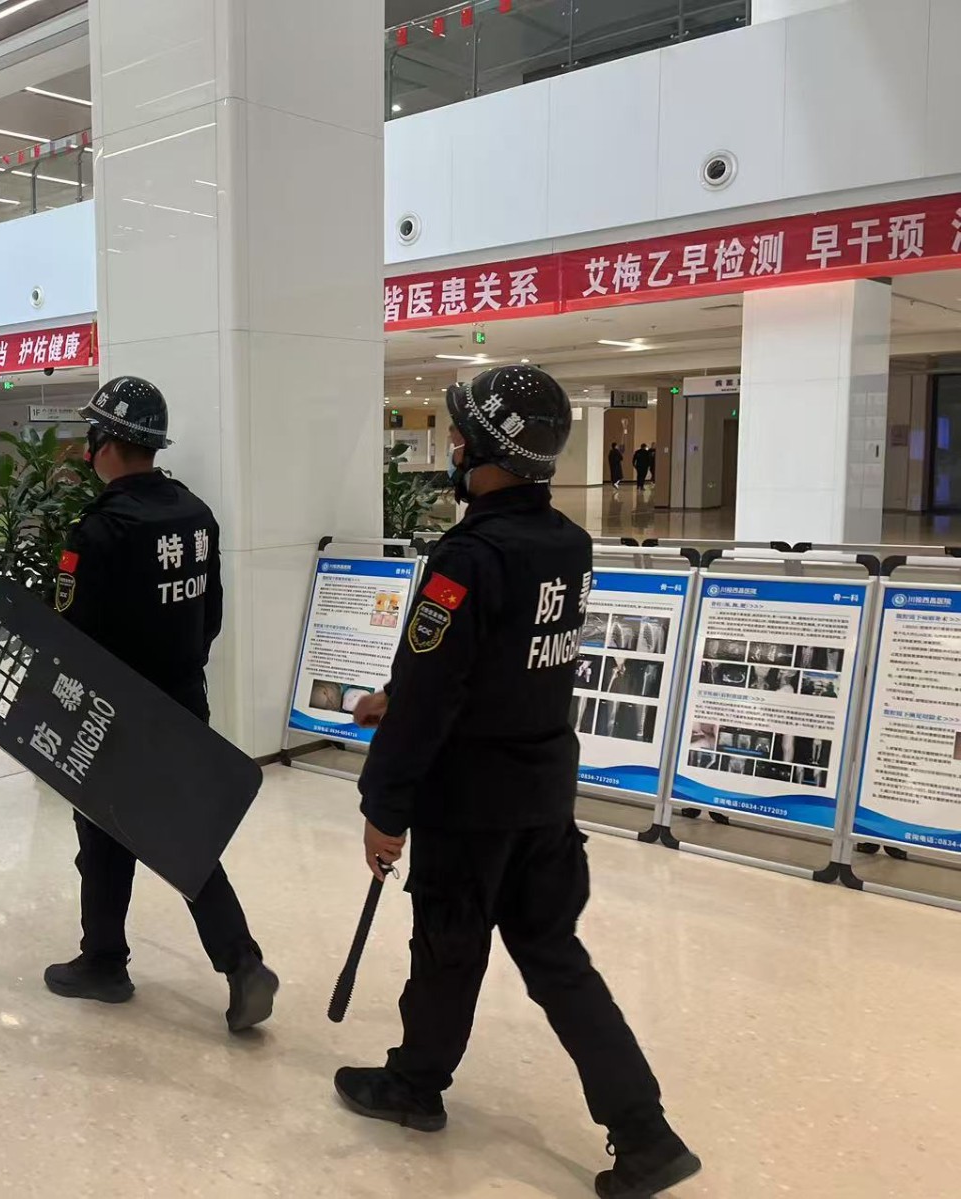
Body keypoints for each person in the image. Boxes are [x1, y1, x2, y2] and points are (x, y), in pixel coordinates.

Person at [335, 365, 699, 1199]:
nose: (453, 448)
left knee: (447, 948)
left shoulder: (468, 556)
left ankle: (416, 1084)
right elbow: (502, 660)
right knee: (556, 957)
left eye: (460, 436)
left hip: (469, 802)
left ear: (485, 453)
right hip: (542, 794)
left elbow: (433, 696)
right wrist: (398, 692)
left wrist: (384, 807)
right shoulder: (567, 543)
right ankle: (646, 1132)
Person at [43, 376, 278, 1033]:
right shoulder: (194, 515)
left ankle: (110, 961)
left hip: (115, 714)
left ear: (106, 442)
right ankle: (223, 960)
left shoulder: (100, 531)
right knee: (176, 832)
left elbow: (72, 637)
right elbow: (211, 617)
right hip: (182, 703)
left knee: (108, 835)